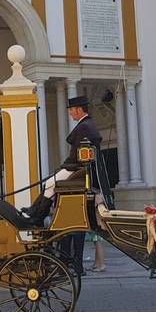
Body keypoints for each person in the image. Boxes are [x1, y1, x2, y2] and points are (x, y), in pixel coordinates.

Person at [19, 95, 101, 226]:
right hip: (77, 168)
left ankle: (37, 218)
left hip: (77, 169)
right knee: (48, 184)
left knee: (50, 184)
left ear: (79, 110)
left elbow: (78, 154)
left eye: (71, 109)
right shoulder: (86, 125)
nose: (69, 112)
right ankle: (34, 210)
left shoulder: (84, 127)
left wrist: (67, 165)